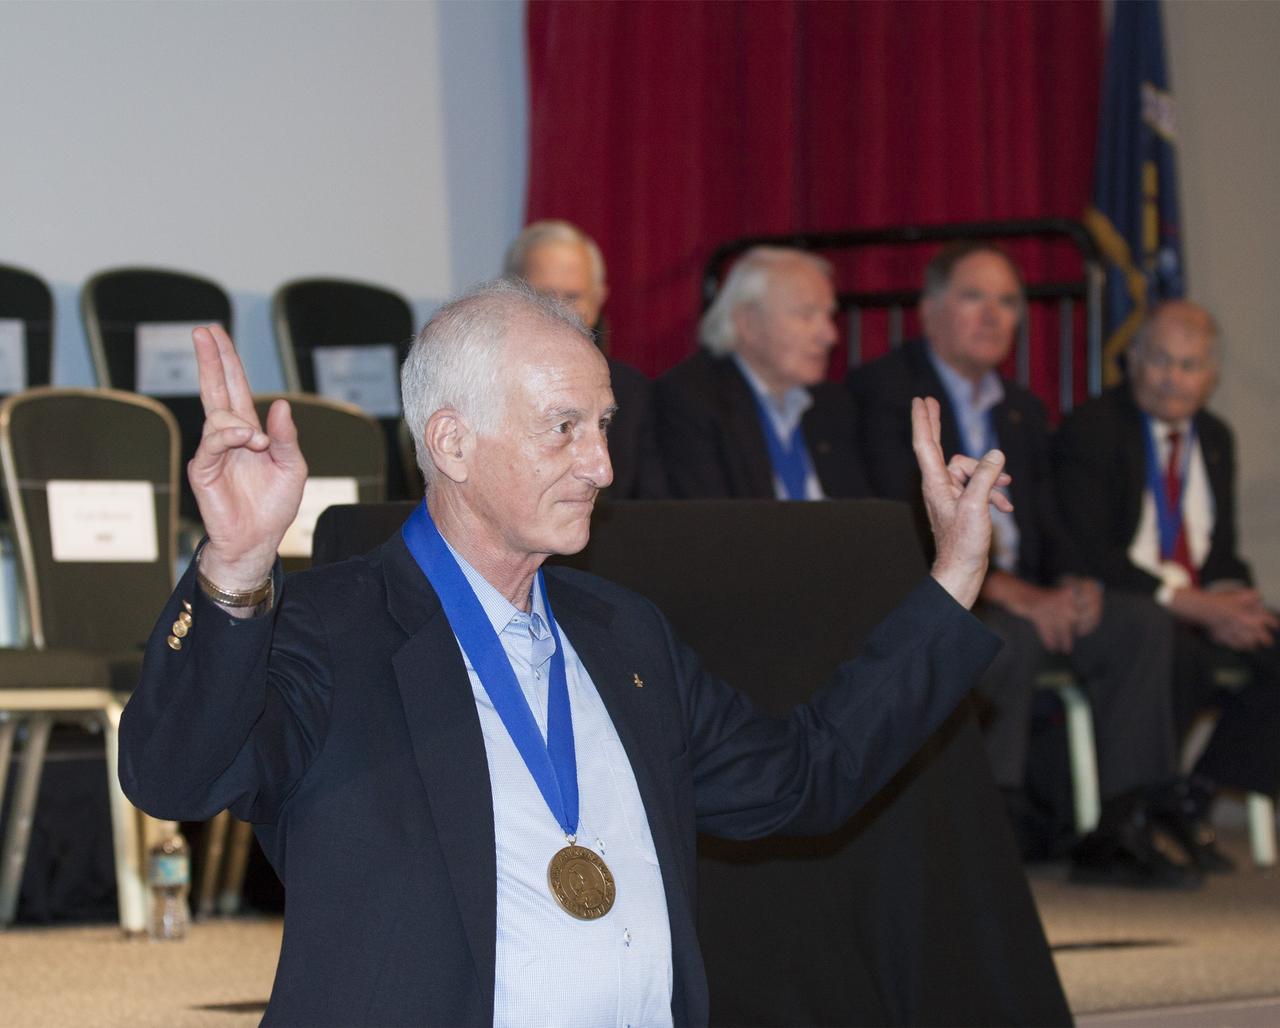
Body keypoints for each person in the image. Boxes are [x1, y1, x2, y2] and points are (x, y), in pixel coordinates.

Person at [120, 278, 1008, 1026]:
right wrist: (234, 568)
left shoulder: (625, 634)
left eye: (605, 424)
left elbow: (804, 777)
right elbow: (174, 778)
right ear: (453, 443)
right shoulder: (330, 625)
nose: (602, 465)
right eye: (563, 427)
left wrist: (953, 582)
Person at [849, 241, 1195, 887]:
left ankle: (1126, 820)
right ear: (929, 310)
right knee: (1002, 637)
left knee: (1139, 623)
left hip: (1028, 591)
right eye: (974, 297)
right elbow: (895, 525)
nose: (994, 315)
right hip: (943, 590)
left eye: (1008, 301)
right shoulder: (885, 393)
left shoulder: (1022, 408)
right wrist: (1014, 592)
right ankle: (993, 825)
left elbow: (1050, 523)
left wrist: (1074, 583)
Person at [1054, 299, 1280, 868]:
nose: (1173, 378)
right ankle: (1145, 807)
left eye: (1190, 365)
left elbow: (1220, 546)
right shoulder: (1094, 428)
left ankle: (1196, 791)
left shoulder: (1216, 437)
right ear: (1132, 361)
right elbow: (1089, 551)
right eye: (1161, 361)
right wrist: (1194, 605)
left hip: (1197, 604)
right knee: (1180, 653)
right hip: (1129, 603)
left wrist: (1231, 595)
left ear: (1211, 377)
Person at [654, 246, 869, 499]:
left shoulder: (832, 402)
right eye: (807, 315)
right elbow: (708, 524)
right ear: (747, 323)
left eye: (829, 315)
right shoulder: (692, 399)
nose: (830, 335)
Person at [504, 218, 667, 498]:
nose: (559, 310)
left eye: (572, 296)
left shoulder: (631, 390)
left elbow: (653, 506)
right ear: (510, 293)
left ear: (598, 298)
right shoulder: (485, 384)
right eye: (544, 294)